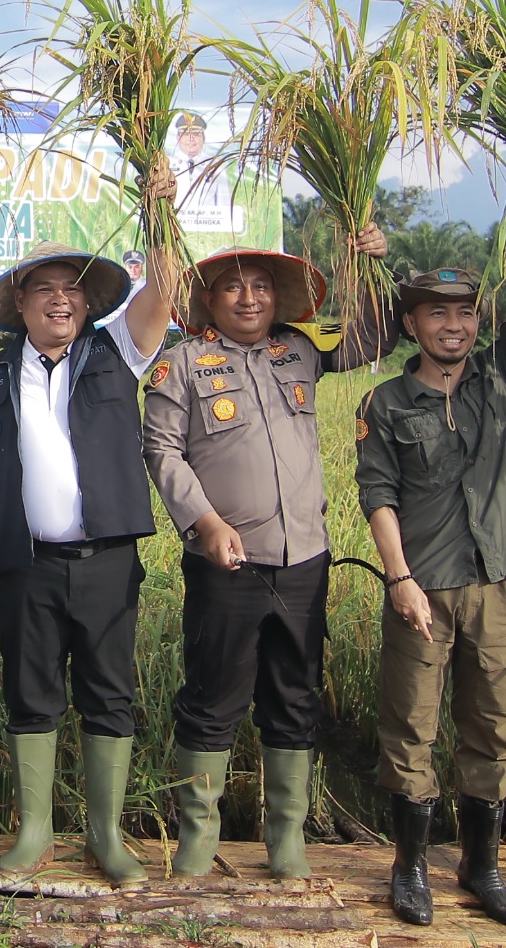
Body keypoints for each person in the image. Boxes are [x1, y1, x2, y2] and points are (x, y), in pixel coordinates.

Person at [143, 227, 389, 880]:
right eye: (232, 287)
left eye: (259, 286)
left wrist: (368, 268)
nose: (248, 298)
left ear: (276, 298)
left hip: (305, 559)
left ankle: (288, 839)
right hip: (227, 564)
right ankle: (198, 838)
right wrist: (206, 522)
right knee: (213, 698)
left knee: (295, 696)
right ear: (210, 300)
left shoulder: (300, 352)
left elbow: (371, 340)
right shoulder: (183, 364)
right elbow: (162, 452)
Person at [0, 228, 178, 885]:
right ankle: (35, 833)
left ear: (87, 303)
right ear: (19, 303)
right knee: (30, 692)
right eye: (43, 289)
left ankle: (105, 837)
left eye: (71, 289)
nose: (59, 301)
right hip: (26, 562)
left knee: (109, 693)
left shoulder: (116, 352)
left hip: (105, 560)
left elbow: (163, 291)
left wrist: (158, 216)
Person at [355, 200, 506, 929]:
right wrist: (399, 578)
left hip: (496, 583)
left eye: (466, 312)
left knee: (494, 726)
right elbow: (376, 493)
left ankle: (483, 867)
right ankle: (410, 868)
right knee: (411, 727)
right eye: (437, 314)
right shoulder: (386, 401)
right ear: (411, 324)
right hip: (422, 589)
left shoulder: (498, 377)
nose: (455, 325)